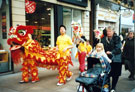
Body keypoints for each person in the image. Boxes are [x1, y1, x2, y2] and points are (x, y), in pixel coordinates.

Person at [101, 26, 122, 92]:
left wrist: (111, 52)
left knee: (115, 74)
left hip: (116, 58)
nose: (108, 32)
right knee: (107, 74)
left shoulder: (117, 38)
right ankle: (107, 86)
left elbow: (118, 48)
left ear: (113, 32)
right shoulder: (104, 39)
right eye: (107, 31)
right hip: (107, 58)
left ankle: (113, 87)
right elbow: (101, 46)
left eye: (110, 31)